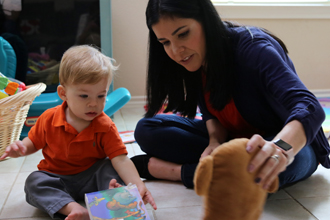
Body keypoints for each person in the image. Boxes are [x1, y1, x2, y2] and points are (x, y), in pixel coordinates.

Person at [131, 0, 330, 190]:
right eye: (165, 42)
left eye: (183, 34)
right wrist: (214, 142)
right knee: (146, 129)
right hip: (235, 143)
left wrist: (279, 148)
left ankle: (176, 172)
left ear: (205, 20)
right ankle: (225, 168)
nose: (175, 51)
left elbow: (309, 107)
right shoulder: (194, 58)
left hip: (286, 144)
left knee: (261, 170)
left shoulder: (254, 48)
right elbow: (211, 112)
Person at [0, 45, 157, 220]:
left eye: (101, 96)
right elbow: (32, 143)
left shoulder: (105, 125)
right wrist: (20, 148)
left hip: (92, 176)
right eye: (84, 96)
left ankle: (112, 196)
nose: (93, 104)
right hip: (56, 177)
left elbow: (120, 159)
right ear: (63, 93)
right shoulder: (48, 118)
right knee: (34, 182)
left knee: (109, 168)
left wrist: (136, 186)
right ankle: (71, 208)